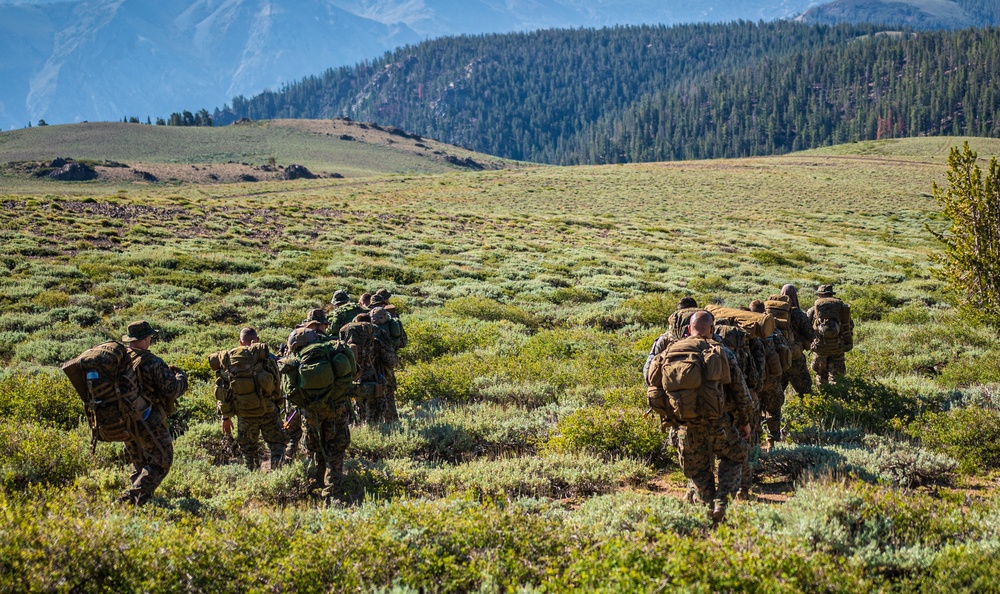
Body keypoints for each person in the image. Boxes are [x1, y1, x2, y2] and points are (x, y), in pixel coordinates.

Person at [664, 311, 752, 522]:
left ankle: (705, 507)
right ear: (711, 330)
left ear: (688, 330)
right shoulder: (722, 352)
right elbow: (741, 391)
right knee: (734, 456)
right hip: (718, 423)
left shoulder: (671, 352)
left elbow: (657, 390)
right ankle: (722, 503)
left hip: (686, 426)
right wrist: (744, 421)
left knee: (698, 470)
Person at [281, 318, 354, 500]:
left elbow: (290, 392)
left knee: (316, 448)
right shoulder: (332, 350)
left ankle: (317, 482)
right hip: (336, 408)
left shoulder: (295, 360)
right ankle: (332, 491)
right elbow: (352, 373)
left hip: (310, 412)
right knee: (335, 450)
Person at [120, 320, 187, 505]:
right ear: (144, 338)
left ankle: (140, 505)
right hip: (148, 420)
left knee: (140, 463)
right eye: (149, 337)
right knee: (162, 460)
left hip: (124, 421)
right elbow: (172, 390)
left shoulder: (120, 360)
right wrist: (182, 377)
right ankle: (130, 499)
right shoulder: (152, 362)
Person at [213, 327, 287, 471]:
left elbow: (223, 392)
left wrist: (225, 418)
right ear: (257, 340)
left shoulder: (230, 361)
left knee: (248, 451)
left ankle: (253, 478)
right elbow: (279, 383)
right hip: (269, 410)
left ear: (240, 342)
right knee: (277, 445)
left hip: (245, 414)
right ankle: (278, 476)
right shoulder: (267, 358)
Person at [340, 312, 397, 424]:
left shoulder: (347, 336)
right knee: (375, 420)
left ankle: (362, 432)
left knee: (360, 416)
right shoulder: (376, 336)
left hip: (354, 382)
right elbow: (392, 361)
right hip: (374, 383)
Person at [807, 284, 854, 386]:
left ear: (820, 294)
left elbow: (807, 327)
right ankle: (837, 395)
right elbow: (850, 325)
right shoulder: (841, 308)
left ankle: (823, 395)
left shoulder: (813, 309)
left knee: (821, 374)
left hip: (820, 347)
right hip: (838, 346)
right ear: (831, 294)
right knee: (837, 375)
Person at [778, 284, 815, 395]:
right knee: (805, 391)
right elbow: (811, 335)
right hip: (795, 357)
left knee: (777, 392)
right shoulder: (798, 314)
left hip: (778, 357)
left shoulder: (772, 312)